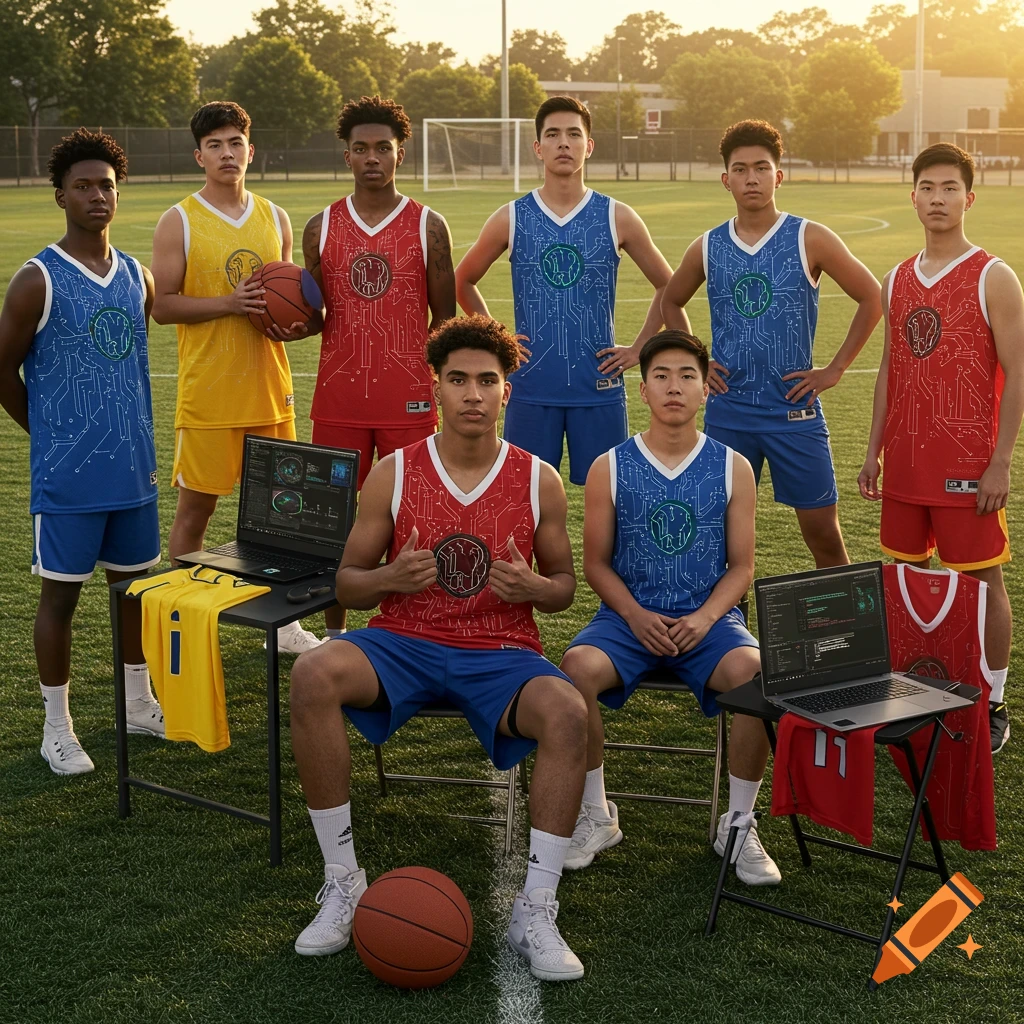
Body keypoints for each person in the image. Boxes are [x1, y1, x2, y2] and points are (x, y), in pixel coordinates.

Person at [288, 315, 590, 981]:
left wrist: (534, 585)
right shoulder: (391, 474)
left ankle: (537, 906)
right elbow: (345, 582)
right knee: (314, 672)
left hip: (501, 651)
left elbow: (566, 588)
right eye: (459, 380)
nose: (473, 394)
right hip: (404, 643)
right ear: (437, 388)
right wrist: (390, 578)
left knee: (568, 712)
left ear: (507, 391)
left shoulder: (539, 479)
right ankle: (343, 882)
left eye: (488, 380)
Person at [559, 330, 780, 886]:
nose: (674, 387)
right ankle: (596, 813)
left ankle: (738, 822)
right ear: (642, 388)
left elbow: (741, 568)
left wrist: (705, 618)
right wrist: (635, 616)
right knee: (576, 670)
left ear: (706, 390)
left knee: (754, 673)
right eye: (662, 376)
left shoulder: (734, 467)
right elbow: (597, 565)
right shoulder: (609, 464)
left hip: (708, 622)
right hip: (627, 620)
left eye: (687, 376)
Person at [0, 129, 165, 774]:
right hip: (69, 477)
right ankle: (57, 727)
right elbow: (3, 369)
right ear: (61, 195)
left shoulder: (137, 277)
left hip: (133, 471)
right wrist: (47, 438)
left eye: (107, 186)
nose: (98, 196)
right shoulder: (36, 280)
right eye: (84, 186)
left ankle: (137, 702)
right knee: (61, 600)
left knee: (132, 593)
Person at [859, 142, 1024, 754]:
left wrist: (1000, 462)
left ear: (969, 197)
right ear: (913, 196)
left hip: (967, 467)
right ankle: (915, 693)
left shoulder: (993, 275)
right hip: (904, 461)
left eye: (949, 188)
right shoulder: (897, 277)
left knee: (982, 582)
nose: (937, 198)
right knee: (906, 579)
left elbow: (1018, 372)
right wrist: (873, 449)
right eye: (927, 187)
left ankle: (995, 698)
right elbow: (888, 368)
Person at [662, 120, 881, 568]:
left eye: (762, 168)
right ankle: (724, 633)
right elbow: (672, 300)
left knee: (823, 533)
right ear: (726, 180)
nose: (751, 178)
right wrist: (697, 363)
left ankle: (843, 634)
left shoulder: (809, 237)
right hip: (731, 411)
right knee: (718, 536)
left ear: (779, 175)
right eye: (740, 170)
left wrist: (835, 368)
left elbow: (873, 296)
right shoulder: (707, 245)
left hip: (793, 411)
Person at [151, 100, 321, 653]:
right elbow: (164, 307)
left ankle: (285, 625)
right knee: (195, 514)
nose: (228, 153)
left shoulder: (275, 217)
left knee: (284, 517)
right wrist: (229, 301)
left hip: (270, 392)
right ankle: (184, 626)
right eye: (216, 145)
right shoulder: (178, 218)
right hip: (209, 396)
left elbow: (286, 304)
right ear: (199, 155)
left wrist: (291, 325)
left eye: (236, 143)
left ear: (252, 150)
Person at [455, 96, 676, 486]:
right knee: (524, 498)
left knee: (608, 501)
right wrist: (499, 339)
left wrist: (641, 346)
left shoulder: (616, 215)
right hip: (531, 387)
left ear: (588, 146)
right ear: (537, 147)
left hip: (599, 388)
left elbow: (668, 285)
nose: (563, 143)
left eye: (574, 134)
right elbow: (463, 280)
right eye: (552, 134)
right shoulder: (512, 216)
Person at [302, 95, 455, 639]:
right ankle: (337, 633)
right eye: (361, 148)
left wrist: (438, 385)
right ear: (346, 156)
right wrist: (286, 320)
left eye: (383, 148)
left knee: (415, 515)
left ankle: (412, 625)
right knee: (332, 519)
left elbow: (445, 319)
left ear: (401, 154)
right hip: (338, 398)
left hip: (408, 396)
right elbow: (311, 313)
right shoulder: (319, 227)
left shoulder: (429, 226)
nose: (372, 157)